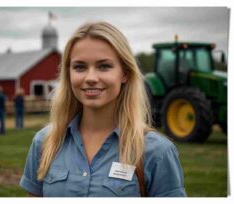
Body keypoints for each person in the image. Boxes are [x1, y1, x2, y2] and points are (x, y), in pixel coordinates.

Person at [20, 22, 187, 197]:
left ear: (124, 73)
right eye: (80, 67)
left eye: (104, 66)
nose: (91, 78)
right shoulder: (45, 143)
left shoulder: (157, 152)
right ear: (68, 74)